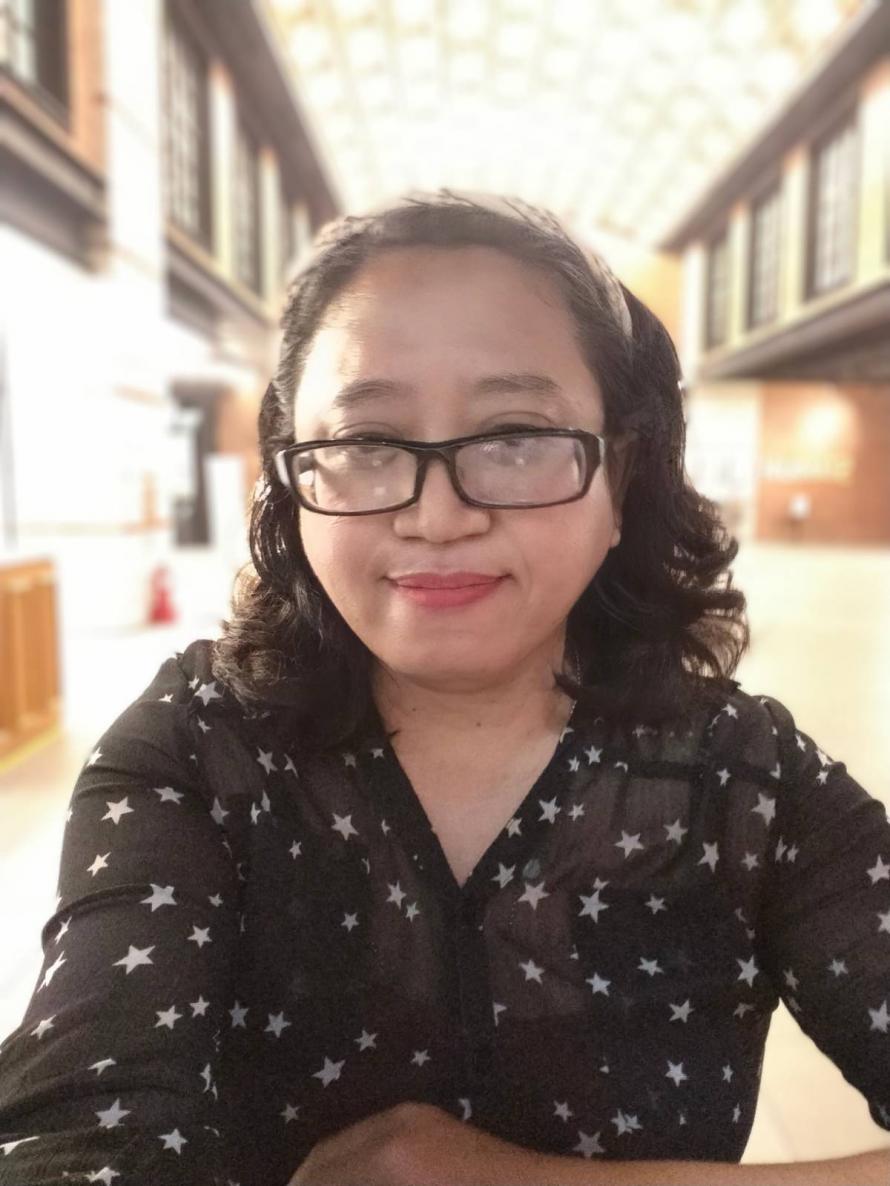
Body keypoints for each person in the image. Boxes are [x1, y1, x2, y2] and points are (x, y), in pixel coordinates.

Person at [0, 191, 887, 1186]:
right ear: (293, 481)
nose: (437, 514)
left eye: (514, 435)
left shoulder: (748, 783)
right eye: (366, 442)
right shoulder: (195, 750)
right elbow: (72, 1133)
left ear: (620, 476)